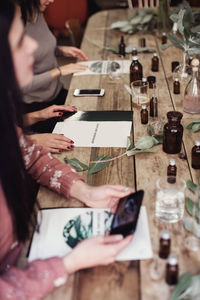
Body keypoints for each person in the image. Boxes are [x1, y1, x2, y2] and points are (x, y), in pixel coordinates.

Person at [0, 2, 133, 298]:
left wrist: (83, 190)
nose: (33, 44)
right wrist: (69, 263)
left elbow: (30, 155)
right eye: (21, 41)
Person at [18, 0, 88, 133]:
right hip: (36, 106)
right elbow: (23, 85)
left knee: (91, 109)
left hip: (56, 93)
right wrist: (59, 70)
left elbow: (39, 50)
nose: (51, 0)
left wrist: (60, 50)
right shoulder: (13, 28)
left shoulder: (37, 14)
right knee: (81, 131)